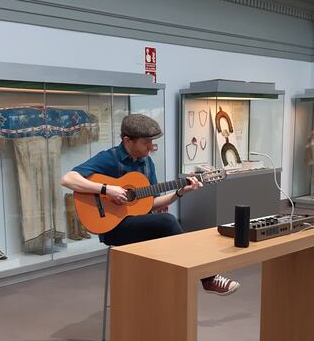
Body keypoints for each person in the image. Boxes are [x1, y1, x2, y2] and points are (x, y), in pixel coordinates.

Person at [61, 114, 240, 295]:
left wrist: (180, 192)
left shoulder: (147, 163)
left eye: (152, 142)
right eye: (145, 142)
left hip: (138, 223)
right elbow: (68, 179)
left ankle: (168, 292)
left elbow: (151, 203)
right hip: (113, 228)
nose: (151, 147)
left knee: (167, 225)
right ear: (127, 140)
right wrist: (107, 190)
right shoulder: (109, 158)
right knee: (168, 222)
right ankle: (207, 278)